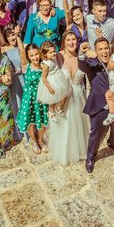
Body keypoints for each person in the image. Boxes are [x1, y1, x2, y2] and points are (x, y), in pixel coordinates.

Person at [79, 38, 114, 173]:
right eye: (100, 49)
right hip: (98, 105)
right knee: (95, 133)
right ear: (96, 51)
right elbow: (82, 65)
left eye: (106, 48)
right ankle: (91, 157)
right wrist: (82, 54)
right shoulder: (92, 64)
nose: (104, 52)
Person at [48, 31, 90, 166]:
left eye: (74, 40)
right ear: (64, 42)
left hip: (79, 96)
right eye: (68, 40)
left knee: (78, 125)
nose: (71, 42)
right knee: (64, 126)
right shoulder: (58, 56)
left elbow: (87, 81)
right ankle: (64, 153)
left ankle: (78, 150)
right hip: (63, 98)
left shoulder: (81, 57)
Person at [15, 38, 48, 154]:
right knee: (31, 122)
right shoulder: (26, 66)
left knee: (42, 122)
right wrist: (18, 36)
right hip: (29, 99)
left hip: (41, 97)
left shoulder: (44, 65)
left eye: (36, 54)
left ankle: (40, 140)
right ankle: (34, 141)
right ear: (28, 57)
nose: (35, 58)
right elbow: (21, 50)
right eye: (32, 55)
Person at [36, 41, 70, 121]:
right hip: (51, 82)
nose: (54, 53)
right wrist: (49, 87)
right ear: (45, 54)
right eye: (50, 52)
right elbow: (44, 77)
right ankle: (51, 111)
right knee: (53, 99)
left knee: (64, 94)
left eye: (54, 51)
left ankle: (59, 108)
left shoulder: (54, 59)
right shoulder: (46, 64)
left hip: (59, 78)